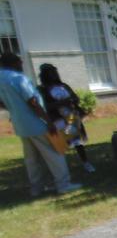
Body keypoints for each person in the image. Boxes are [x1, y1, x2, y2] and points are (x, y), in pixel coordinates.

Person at [0, 53, 81, 196]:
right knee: (54, 153)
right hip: (37, 123)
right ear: (13, 63)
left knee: (32, 158)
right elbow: (33, 102)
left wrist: (14, 109)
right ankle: (63, 184)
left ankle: (36, 188)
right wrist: (48, 121)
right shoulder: (19, 78)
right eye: (20, 62)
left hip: (20, 124)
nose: (22, 65)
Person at [37, 63, 95, 173]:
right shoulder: (42, 89)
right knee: (60, 143)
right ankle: (61, 168)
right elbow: (44, 106)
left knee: (77, 141)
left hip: (71, 116)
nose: (54, 74)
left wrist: (73, 101)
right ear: (45, 75)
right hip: (56, 118)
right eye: (51, 73)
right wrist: (62, 103)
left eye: (55, 72)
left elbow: (75, 98)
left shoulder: (63, 85)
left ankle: (86, 163)